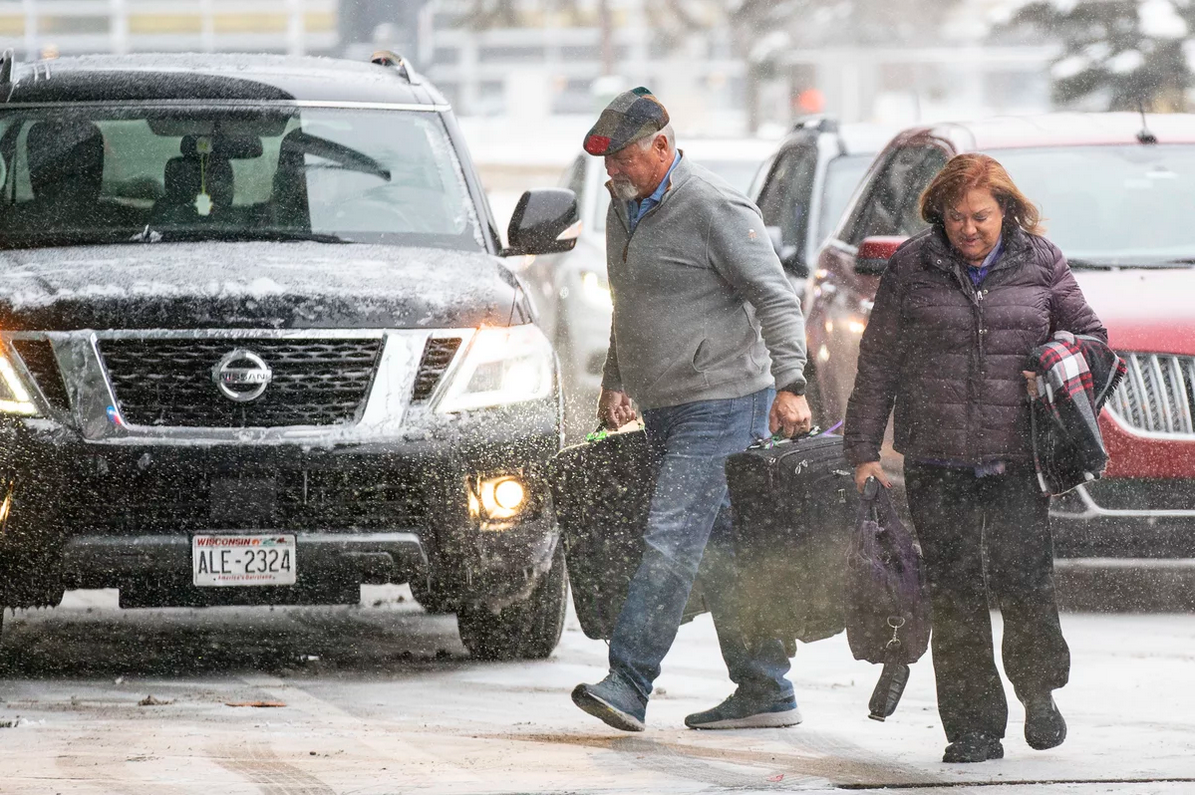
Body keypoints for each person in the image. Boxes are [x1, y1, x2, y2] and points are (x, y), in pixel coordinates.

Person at [844, 153, 1105, 763]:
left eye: (982, 217)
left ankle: (1038, 692)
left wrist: (1057, 354)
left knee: (1025, 583)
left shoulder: (1042, 261)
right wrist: (862, 452)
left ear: (1006, 211)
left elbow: (1094, 338)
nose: (969, 229)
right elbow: (878, 363)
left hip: (1019, 458)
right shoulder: (913, 265)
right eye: (957, 217)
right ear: (939, 214)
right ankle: (973, 728)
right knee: (955, 594)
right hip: (938, 460)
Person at [570, 87, 812, 732]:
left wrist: (792, 382)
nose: (611, 171)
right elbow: (631, 302)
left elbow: (776, 299)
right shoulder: (623, 207)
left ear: (662, 146)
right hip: (664, 404)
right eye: (606, 160)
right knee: (724, 545)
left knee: (671, 538)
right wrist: (616, 378)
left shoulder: (714, 207)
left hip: (725, 400)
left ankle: (628, 682)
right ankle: (765, 687)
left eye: (621, 157)